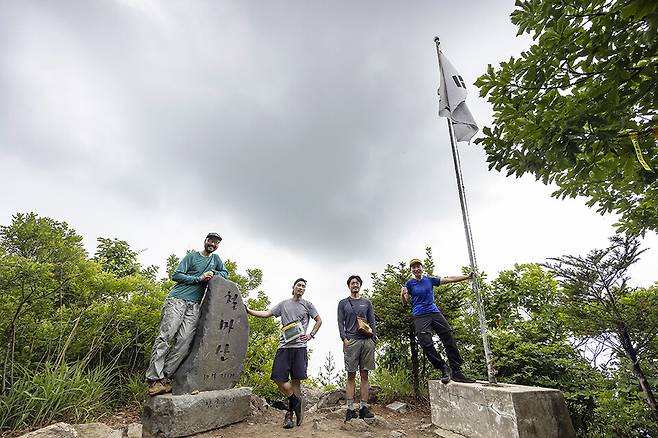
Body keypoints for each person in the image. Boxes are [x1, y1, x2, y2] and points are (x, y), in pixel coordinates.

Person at [145, 232, 229, 396]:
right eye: (210, 240)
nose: (213, 244)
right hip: (177, 299)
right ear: (205, 241)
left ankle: (164, 379)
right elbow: (175, 275)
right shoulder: (191, 257)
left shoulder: (216, 259)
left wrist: (214, 274)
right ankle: (153, 379)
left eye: (216, 242)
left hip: (194, 305)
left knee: (184, 342)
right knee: (166, 337)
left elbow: (225, 274)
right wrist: (198, 278)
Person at [246, 278, 322, 429]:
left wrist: (311, 335)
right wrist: (249, 311)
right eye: (299, 285)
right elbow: (267, 313)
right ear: (293, 287)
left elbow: (319, 320)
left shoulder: (308, 305)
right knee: (277, 377)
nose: (301, 288)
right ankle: (296, 401)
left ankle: (290, 415)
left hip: (300, 347)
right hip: (284, 347)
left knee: (296, 381)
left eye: (303, 286)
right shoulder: (284, 304)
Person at [400, 258, 476, 384]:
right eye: (413, 267)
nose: (416, 269)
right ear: (411, 270)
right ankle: (443, 367)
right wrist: (403, 295)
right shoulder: (408, 284)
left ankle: (456, 371)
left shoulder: (429, 280)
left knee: (449, 337)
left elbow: (449, 279)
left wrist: (467, 277)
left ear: (422, 268)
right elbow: (405, 303)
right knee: (426, 343)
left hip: (434, 312)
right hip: (420, 315)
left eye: (418, 266)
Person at [337, 275, 377, 422]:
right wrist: (344, 338)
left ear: (360, 286)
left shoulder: (367, 302)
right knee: (351, 375)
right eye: (352, 283)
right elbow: (340, 321)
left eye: (357, 283)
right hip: (351, 341)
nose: (355, 285)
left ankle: (363, 408)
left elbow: (372, 321)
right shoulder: (343, 303)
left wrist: (373, 339)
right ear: (349, 286)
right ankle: (349, 409)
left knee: (365, 375)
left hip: (367, 341)